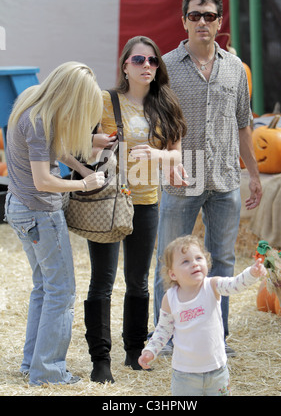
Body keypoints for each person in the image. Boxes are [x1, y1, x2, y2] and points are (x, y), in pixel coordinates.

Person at [153, 0, 262, 355]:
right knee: (168, 262)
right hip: (182, 179)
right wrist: (167, 162)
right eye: (195, 15)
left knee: (223, 261)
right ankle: (166, 340)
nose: (202, 22)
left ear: (219, 22)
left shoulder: (235, 67)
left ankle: (217, 336)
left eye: (210, 16)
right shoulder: (165, 67)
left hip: (225, 178)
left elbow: (244, 124)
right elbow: (156, 123)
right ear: (184, 20)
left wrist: (256, 175)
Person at [85, 35, 187, 384]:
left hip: (147, 201)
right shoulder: (103, 101)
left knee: (139, 281)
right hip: (108, 200)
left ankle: (133, 351)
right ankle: (100, 360)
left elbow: (176, 152)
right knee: (102, 281)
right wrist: (95, 142)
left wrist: (158, 155)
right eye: (139, 60)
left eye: (153, 61)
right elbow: (76, 141)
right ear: (125, 65)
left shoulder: (166, 102)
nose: (147, 66)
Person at [4, 62, 105, 386]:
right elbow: (44, 180)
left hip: (20, 208)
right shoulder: (39, 122)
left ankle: (32, 362)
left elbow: (56, 150)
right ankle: (48, 371)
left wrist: (84, 167)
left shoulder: (33, 101)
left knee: (44, 288)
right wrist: (83, 185)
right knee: (61, 291)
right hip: (39, 212)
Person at [139, 235, 266, 396]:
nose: (194, 263)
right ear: (172, 274)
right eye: (185, 261)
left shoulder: (212, 286)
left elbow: (235, 285)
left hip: (217, 371)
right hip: (184, 375)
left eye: (199, 258)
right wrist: (150, 350)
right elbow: (163, 330)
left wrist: (252, 273)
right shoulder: (170, 298)